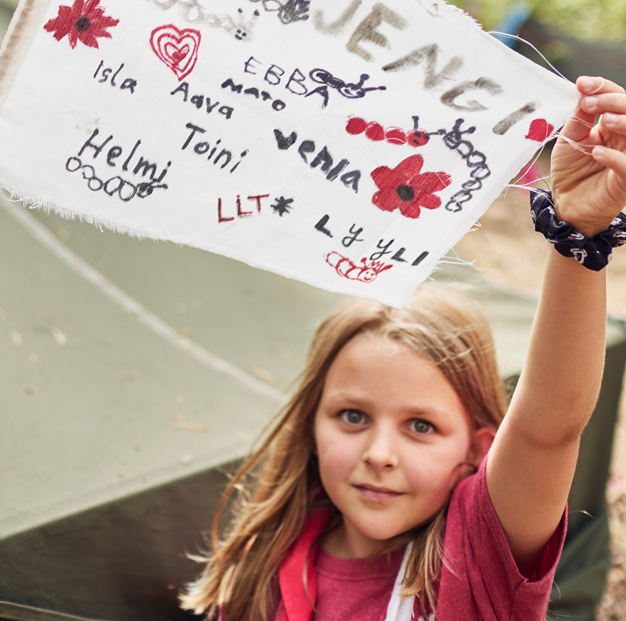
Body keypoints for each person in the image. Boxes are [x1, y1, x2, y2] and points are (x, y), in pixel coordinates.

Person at [181, 75, 626, 621]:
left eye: (421, 426)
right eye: (351, 416)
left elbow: (548, 423)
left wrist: (579, 231)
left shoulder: (476, 560)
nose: (379, 454)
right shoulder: (262, 567)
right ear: (310, 429)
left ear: (475, 449)